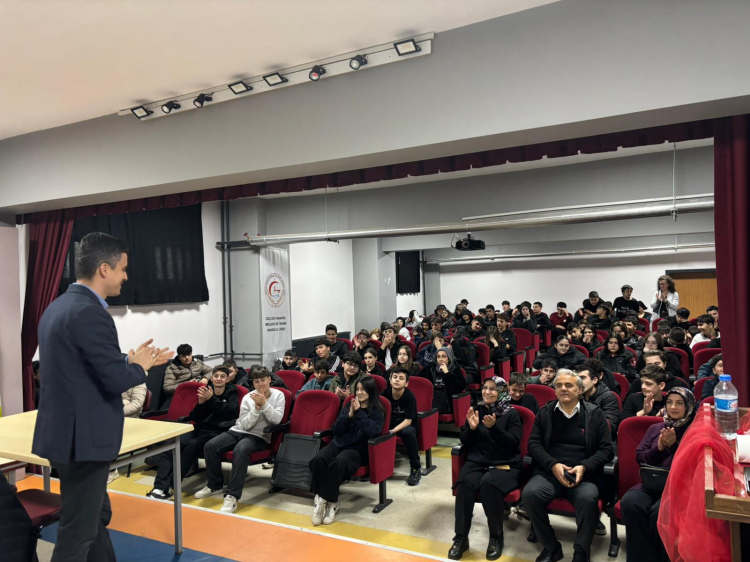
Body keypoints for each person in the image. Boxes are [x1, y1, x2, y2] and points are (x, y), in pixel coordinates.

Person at [32, 232, 174, 562]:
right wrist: (137, 367)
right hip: (83, 440)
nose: (125, 276)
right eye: (123, 269)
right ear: (105, 269)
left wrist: (126, 361)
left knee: (94, 520)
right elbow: (114, 380)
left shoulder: (57, 307)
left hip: (64, 435)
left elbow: (81, 368)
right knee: (78, 533)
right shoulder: (90, 312)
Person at [523, 369, 614, 562]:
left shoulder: (594, 414)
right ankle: (551, 547)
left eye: (569, 385)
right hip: (550, 474)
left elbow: (607, 449)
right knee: (530, 494)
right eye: (559, 385)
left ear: (580, 390)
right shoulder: (545, 412)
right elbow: (534, 444)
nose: (563, 389)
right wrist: (553, 465)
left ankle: (581, 551)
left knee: (588, 499)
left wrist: (584, 467)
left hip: (583, 476)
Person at [449, 376, 523, 561]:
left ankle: (496, 536)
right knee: (465, 483)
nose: (487, 392)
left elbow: (513, 444)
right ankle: (461, 537)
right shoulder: (477, 410)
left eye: (493, 389)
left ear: (502, 392)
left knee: (489, 484)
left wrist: (494, 428)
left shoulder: (511, 414)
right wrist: (472, 429)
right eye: (485, 388)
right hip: (478, 462)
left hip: (505, 464)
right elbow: (465, 441)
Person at [621, 388, 696, 562]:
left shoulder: (693, 431)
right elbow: (640, 457)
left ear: (689, 406)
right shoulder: (655, 428)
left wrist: (673, 446)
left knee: (659, 513)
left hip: (678, 487)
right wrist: (660, 448)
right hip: (651, 482)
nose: (673, 407)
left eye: (679, 403)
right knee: (630, 502)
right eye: (669, 402)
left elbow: (692, 464)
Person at [198, 367, 286, 513]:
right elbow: (244, 425)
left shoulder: (279, 395)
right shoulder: (248, 397)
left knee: (241, 449)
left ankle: (232, 496)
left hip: (259, 436)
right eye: (256, 381)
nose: (260, 384)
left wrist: (264, 404)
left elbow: (276, 420)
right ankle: (215, 485)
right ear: (253, 384)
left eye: (263, 380)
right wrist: (256, 409)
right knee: (210, 446)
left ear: (269, 379)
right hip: (238, 430)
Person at [147, 367, 239, 500]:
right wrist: (201, 403)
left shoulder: (232, 392)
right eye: (216, 376)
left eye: (222, 376)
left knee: (192, 446)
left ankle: (171, 486)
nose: (219, 379)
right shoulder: (205, 390)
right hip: (199, 429)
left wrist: (212, 399)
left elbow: (231, 413)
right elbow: (194, 417)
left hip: (217, 431)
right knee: (172, 445)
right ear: (212, 378)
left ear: (227, 378)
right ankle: (159, 487)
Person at [310, 376, 385, 525]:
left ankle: (325, 501)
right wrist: (349, 415)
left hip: (358, 449)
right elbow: (336, 430)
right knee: (318, 460)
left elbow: (373, 431)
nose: (359, 392)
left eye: (363, 389)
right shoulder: (349, 405)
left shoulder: (378, 410)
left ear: (371, 391)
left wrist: (358, 413)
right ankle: (329, 499)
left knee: (338, 463)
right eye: (357, 389)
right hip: (339, 443)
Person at [382, 367, 421, 486]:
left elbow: (408, 421)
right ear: (390, 380)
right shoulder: (384, 394)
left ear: (406, 383)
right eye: (394, 377)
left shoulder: (409, 396)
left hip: (406, 425)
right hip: (391, 424)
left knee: (407, 433)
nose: (397, 380)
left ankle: (416, 468)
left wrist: (392, 431)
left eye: (401, 378)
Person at [109, 381, 147, 483]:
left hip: (129, 418)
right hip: (109, 415)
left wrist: (115, 412)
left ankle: (111, 470)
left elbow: (137, 405)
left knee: (107, 431)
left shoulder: (138, 382)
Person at [420, 347, 466, 415]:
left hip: (446, 401)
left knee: (428, 408)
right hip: (431, 398)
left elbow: (457, 388)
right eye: (438, 357)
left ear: (449, 358)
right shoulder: (430, 370)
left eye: (444, 356)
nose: (440, 359)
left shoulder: (455, 370)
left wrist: (447, 373)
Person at [577, 365, 620, 438]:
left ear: (595, 380)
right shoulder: (576, 396)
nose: (579, 382)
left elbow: (609, 428)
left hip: (599, 440)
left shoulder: (608, 397)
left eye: (582, 378)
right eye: (577, 379)